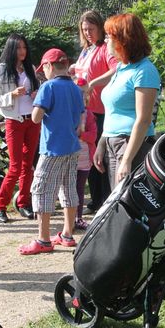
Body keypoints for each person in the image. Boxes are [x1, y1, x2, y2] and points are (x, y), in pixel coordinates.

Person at [19, 48, 85, 255]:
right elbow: (80, 116)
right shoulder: (75, 87)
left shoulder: (48, 86)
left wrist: (37, 102)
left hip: (53, 148)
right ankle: (67, 234)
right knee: (68, 188)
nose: (43, 73)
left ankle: (43, 239)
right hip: (72, 147)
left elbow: (36, 117)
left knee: (41, 189)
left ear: (49, 66)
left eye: (44, 69)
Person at [95, 13, 160, 188]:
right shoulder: (121, 67)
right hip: (113, 142)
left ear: (123, 40)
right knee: (116, 197)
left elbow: (144, 119)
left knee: (125, 198)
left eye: (109, 37)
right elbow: (113, 111)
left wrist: (127, 159)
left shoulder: (145, 71)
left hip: (131, 144)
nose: (106, 41)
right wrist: (102, 142)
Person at [0, 33, 41, 223]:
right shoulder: (1, 69)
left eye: (24, 47)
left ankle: (23, 203)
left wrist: (36, 94)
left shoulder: (30, 68)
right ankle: (0, 206)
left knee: (28, 166)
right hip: (13, 121)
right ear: (11, 48)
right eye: (18, 47)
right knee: (15, 166)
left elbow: (37, 92)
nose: (22, 51)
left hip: (32, 120)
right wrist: (11, 95)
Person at [72, 10, 117, 214]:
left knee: (101, 158)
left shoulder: (106, 48)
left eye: (91, 29)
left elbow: (115, 69)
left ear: (100, 27)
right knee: (89, 156)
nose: (88, 33)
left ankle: (105, 200)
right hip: (85, 111)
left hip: (101, 111)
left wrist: (93, 83)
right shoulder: (85, 50)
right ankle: (96, 200)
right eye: (84, 30)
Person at [74, 78, 97, 231]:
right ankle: (69, 218)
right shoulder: (68, 113)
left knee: (80, 188)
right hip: (68, 157)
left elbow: (93, 135)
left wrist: (80, 135)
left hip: (84, 159)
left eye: (83, 94)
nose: (81, 97)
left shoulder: (89, 114)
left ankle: (78, 217)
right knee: (68, 189)